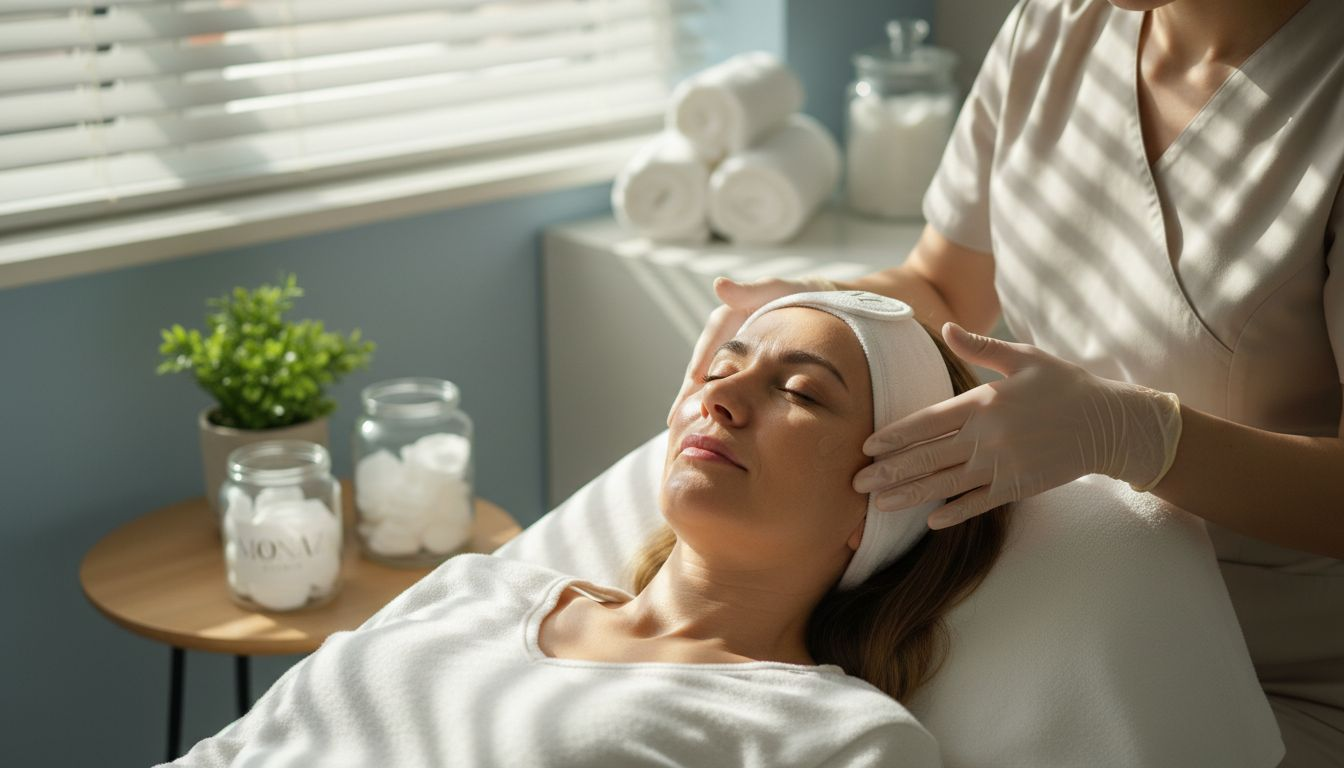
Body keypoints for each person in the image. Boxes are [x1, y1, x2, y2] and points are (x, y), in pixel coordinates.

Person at [670, 0, 1344, 764]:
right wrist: (816, 309)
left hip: (1274, 672)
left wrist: (1142, 439)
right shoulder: (1055, 27)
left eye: (800, 396)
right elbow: (945, 287)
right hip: (1031, 602)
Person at [166, 292, 1007, 768]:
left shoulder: (835, 740)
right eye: (723, 367)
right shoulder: (480, 587)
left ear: (885, 505)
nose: (718, 397)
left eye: (801, 392)